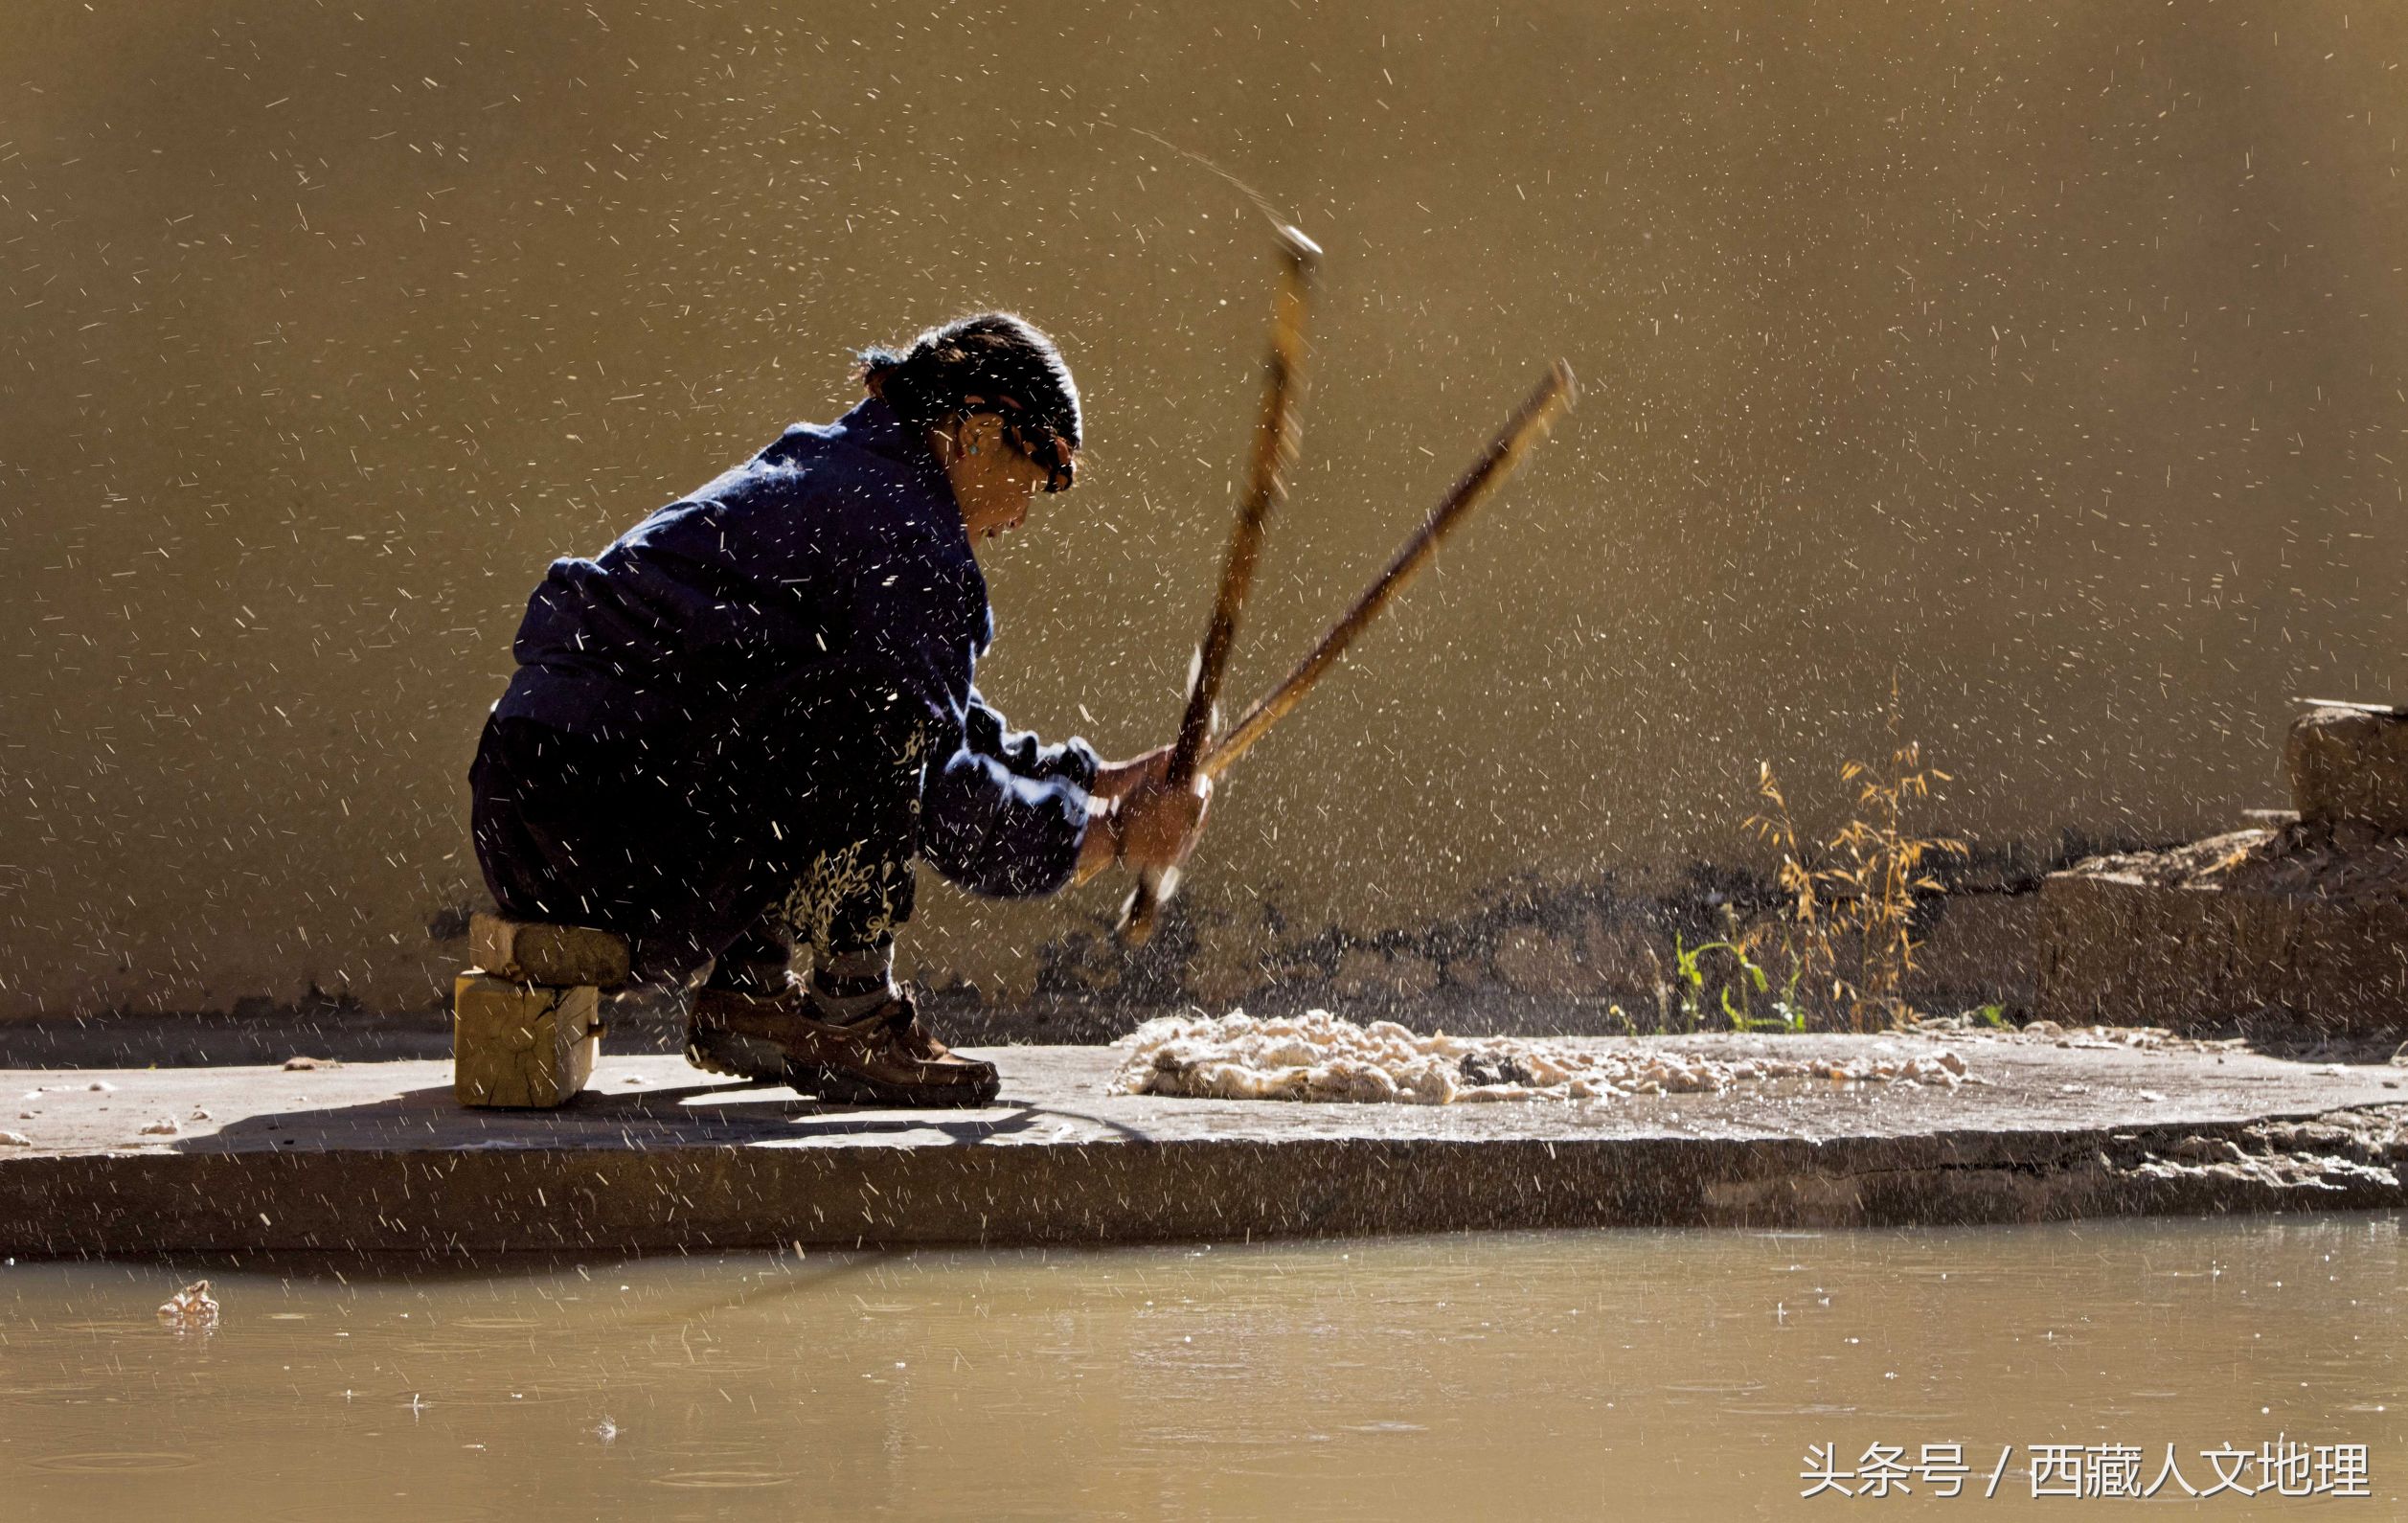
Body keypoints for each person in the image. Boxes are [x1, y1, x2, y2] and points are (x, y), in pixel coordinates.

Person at [467, 312, 1209, 1106]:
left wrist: (1096, 777)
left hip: (534, 814)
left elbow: (939, 712)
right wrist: (1111, 834)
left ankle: (750, 993)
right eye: (1038, 475)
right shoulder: (906, 532)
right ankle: (850, 1010)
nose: (1026, 513)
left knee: (817, 698)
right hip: (607, 837)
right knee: (864, 721)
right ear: (978, 432)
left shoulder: (843, 472)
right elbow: (936, 784)